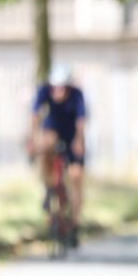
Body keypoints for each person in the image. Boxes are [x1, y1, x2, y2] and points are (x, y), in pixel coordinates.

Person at [29, 65, 87, 248]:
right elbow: (35, 116)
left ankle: (75, 224)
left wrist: (79, 141)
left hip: (72, 136)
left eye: (62, 87)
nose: (58, 91)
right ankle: (48, 187)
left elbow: (81, 121)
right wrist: (33, 138)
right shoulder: (44, 91)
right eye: (55, 87)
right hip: (53, 131)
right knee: (45, 146)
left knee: (76, 178)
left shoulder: (77, 95)